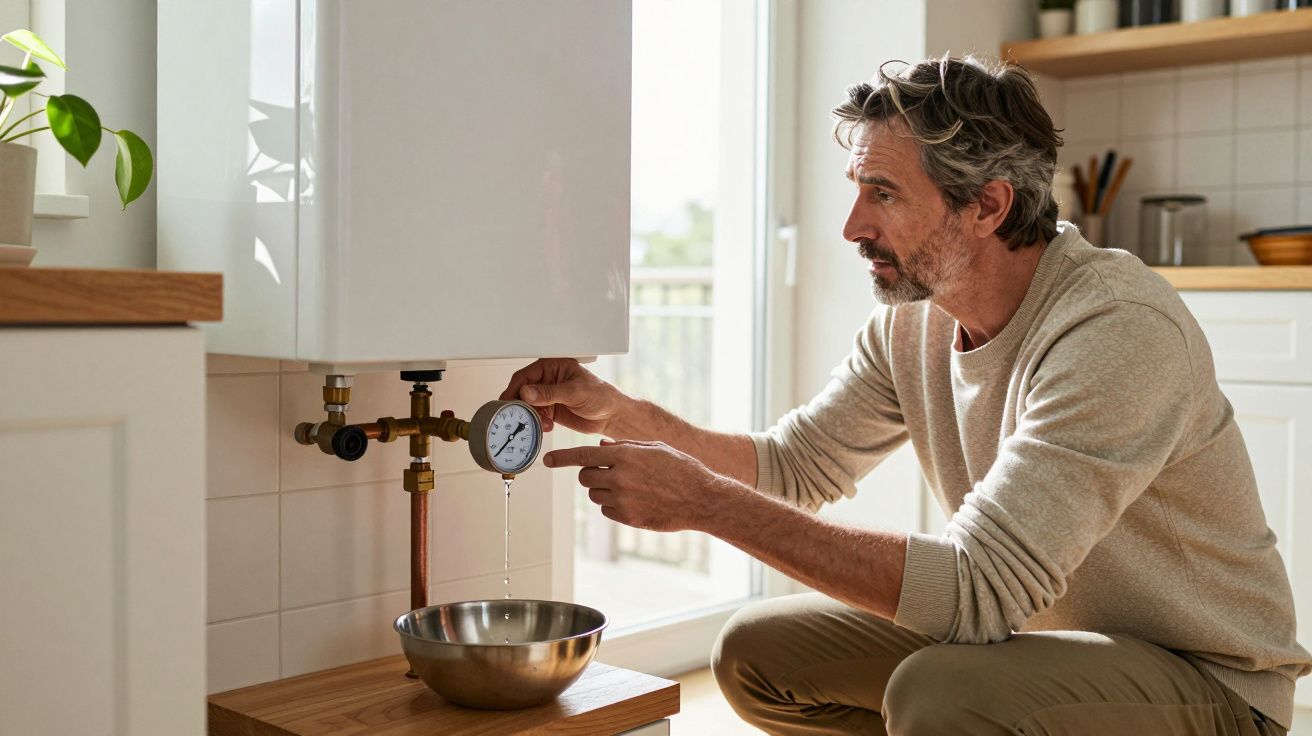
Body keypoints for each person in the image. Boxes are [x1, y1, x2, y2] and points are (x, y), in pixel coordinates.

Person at [499, 56, 1310, 735]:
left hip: (1212, 685)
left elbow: (974, 591)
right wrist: (629, 417)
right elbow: (796, 465)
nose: (852, 226)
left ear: (987, 205)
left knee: (940, 694)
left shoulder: (1116, 329)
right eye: (858, 190)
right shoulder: (915, 321)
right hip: (1041, 650)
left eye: (882, 194)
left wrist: (706, 504)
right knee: (756, 654)